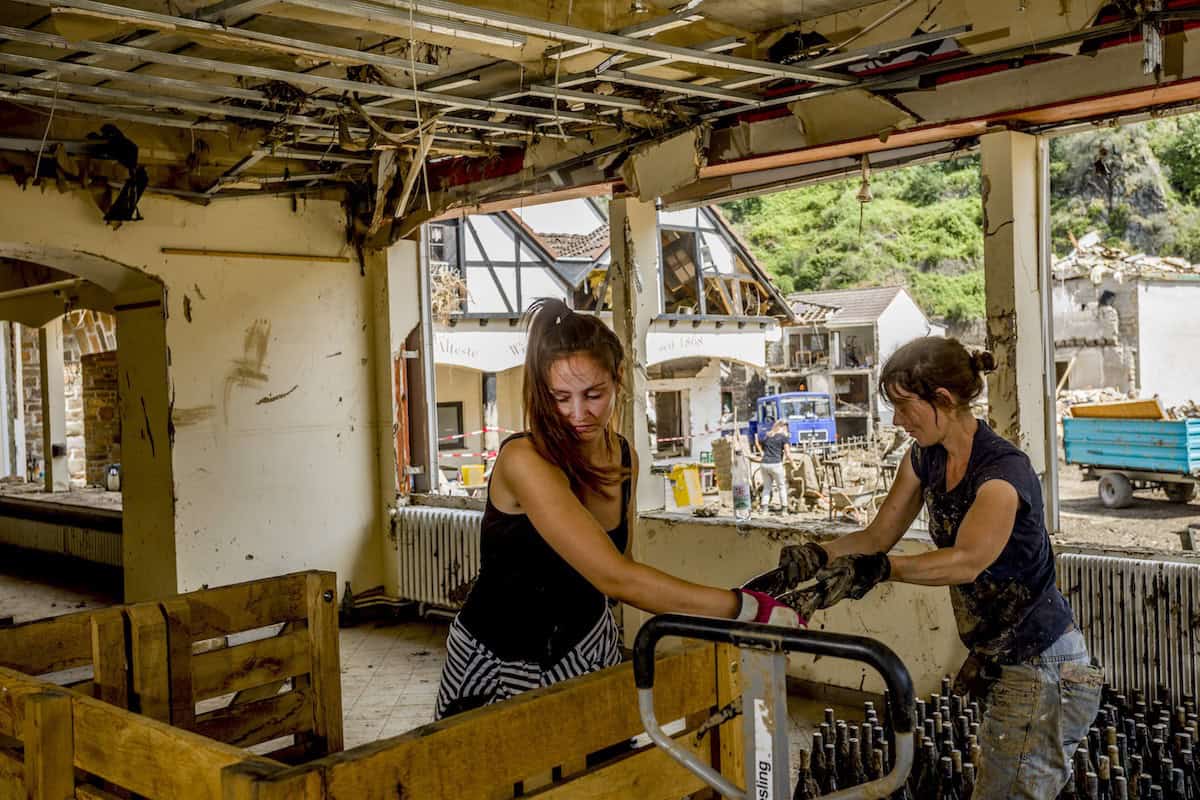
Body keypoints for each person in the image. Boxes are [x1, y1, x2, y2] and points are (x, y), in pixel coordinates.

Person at [435, 298, 799, 720]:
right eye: (560, 398)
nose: (577, 414)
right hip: (498, 661)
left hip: (587, 649)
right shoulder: (524, 459)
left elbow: (624, 565)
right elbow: (615, 576)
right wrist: (746, 608)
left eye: (593, 394)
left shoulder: (624, 456)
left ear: (619, 378)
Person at [771, 337, 1102, 799]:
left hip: (1042, 665)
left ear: (943, 400)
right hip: (1001, 660)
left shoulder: (1003, 472)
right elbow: (876, 536)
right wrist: (818, 554)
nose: (897, 421)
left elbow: (967, 561)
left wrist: (879, 572)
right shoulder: (926, 458)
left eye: (905, 408)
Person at [756, 418, 791, 513]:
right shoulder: (783, 437)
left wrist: (762, 453)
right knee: (781, 486)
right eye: (786, 427)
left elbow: (759, 444)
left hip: (764, 464)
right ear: (783, 427)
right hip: (776, 464)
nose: (787, 430)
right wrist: (793, 463)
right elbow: (787, 453)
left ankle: (764, 510)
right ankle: (784, 510)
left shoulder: (768, 435)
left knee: (767, 487)